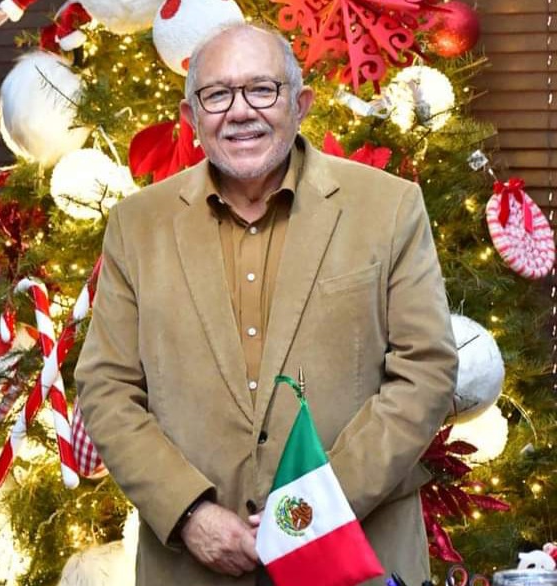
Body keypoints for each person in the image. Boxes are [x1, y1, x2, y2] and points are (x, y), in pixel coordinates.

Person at [74, 23, 458, 586]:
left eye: (262, 89)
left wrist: (313, 513)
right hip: (191, 566)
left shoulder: (390, 207)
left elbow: (426, 370)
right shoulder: (137, 225)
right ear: (191, 117)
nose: (240, 111)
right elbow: (106, 385)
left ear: (300, 104)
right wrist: (188, 512)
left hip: (355, 557)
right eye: (217, 95)